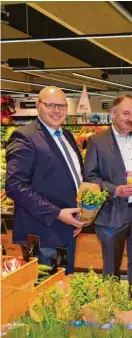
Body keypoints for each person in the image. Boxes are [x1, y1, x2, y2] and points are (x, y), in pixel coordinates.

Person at [6, 86, 85, 274]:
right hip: (41, 234)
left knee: (62, 285)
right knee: (44, 289)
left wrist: (78, 215)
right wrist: (57, 213)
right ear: (38, 106)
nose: (56, 111)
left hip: (66, 230)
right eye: (50, 105)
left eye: (61, 106)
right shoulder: (25, 137)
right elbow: (15, 186)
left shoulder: (66, 136)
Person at [84, 94, 132, 285]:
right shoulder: (97, 141)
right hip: (112, 211)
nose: (130, 119)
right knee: (111, 266)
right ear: (113, 113)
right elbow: (90, 177)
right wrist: (115, 190)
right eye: (126, 113)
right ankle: (112, 307)